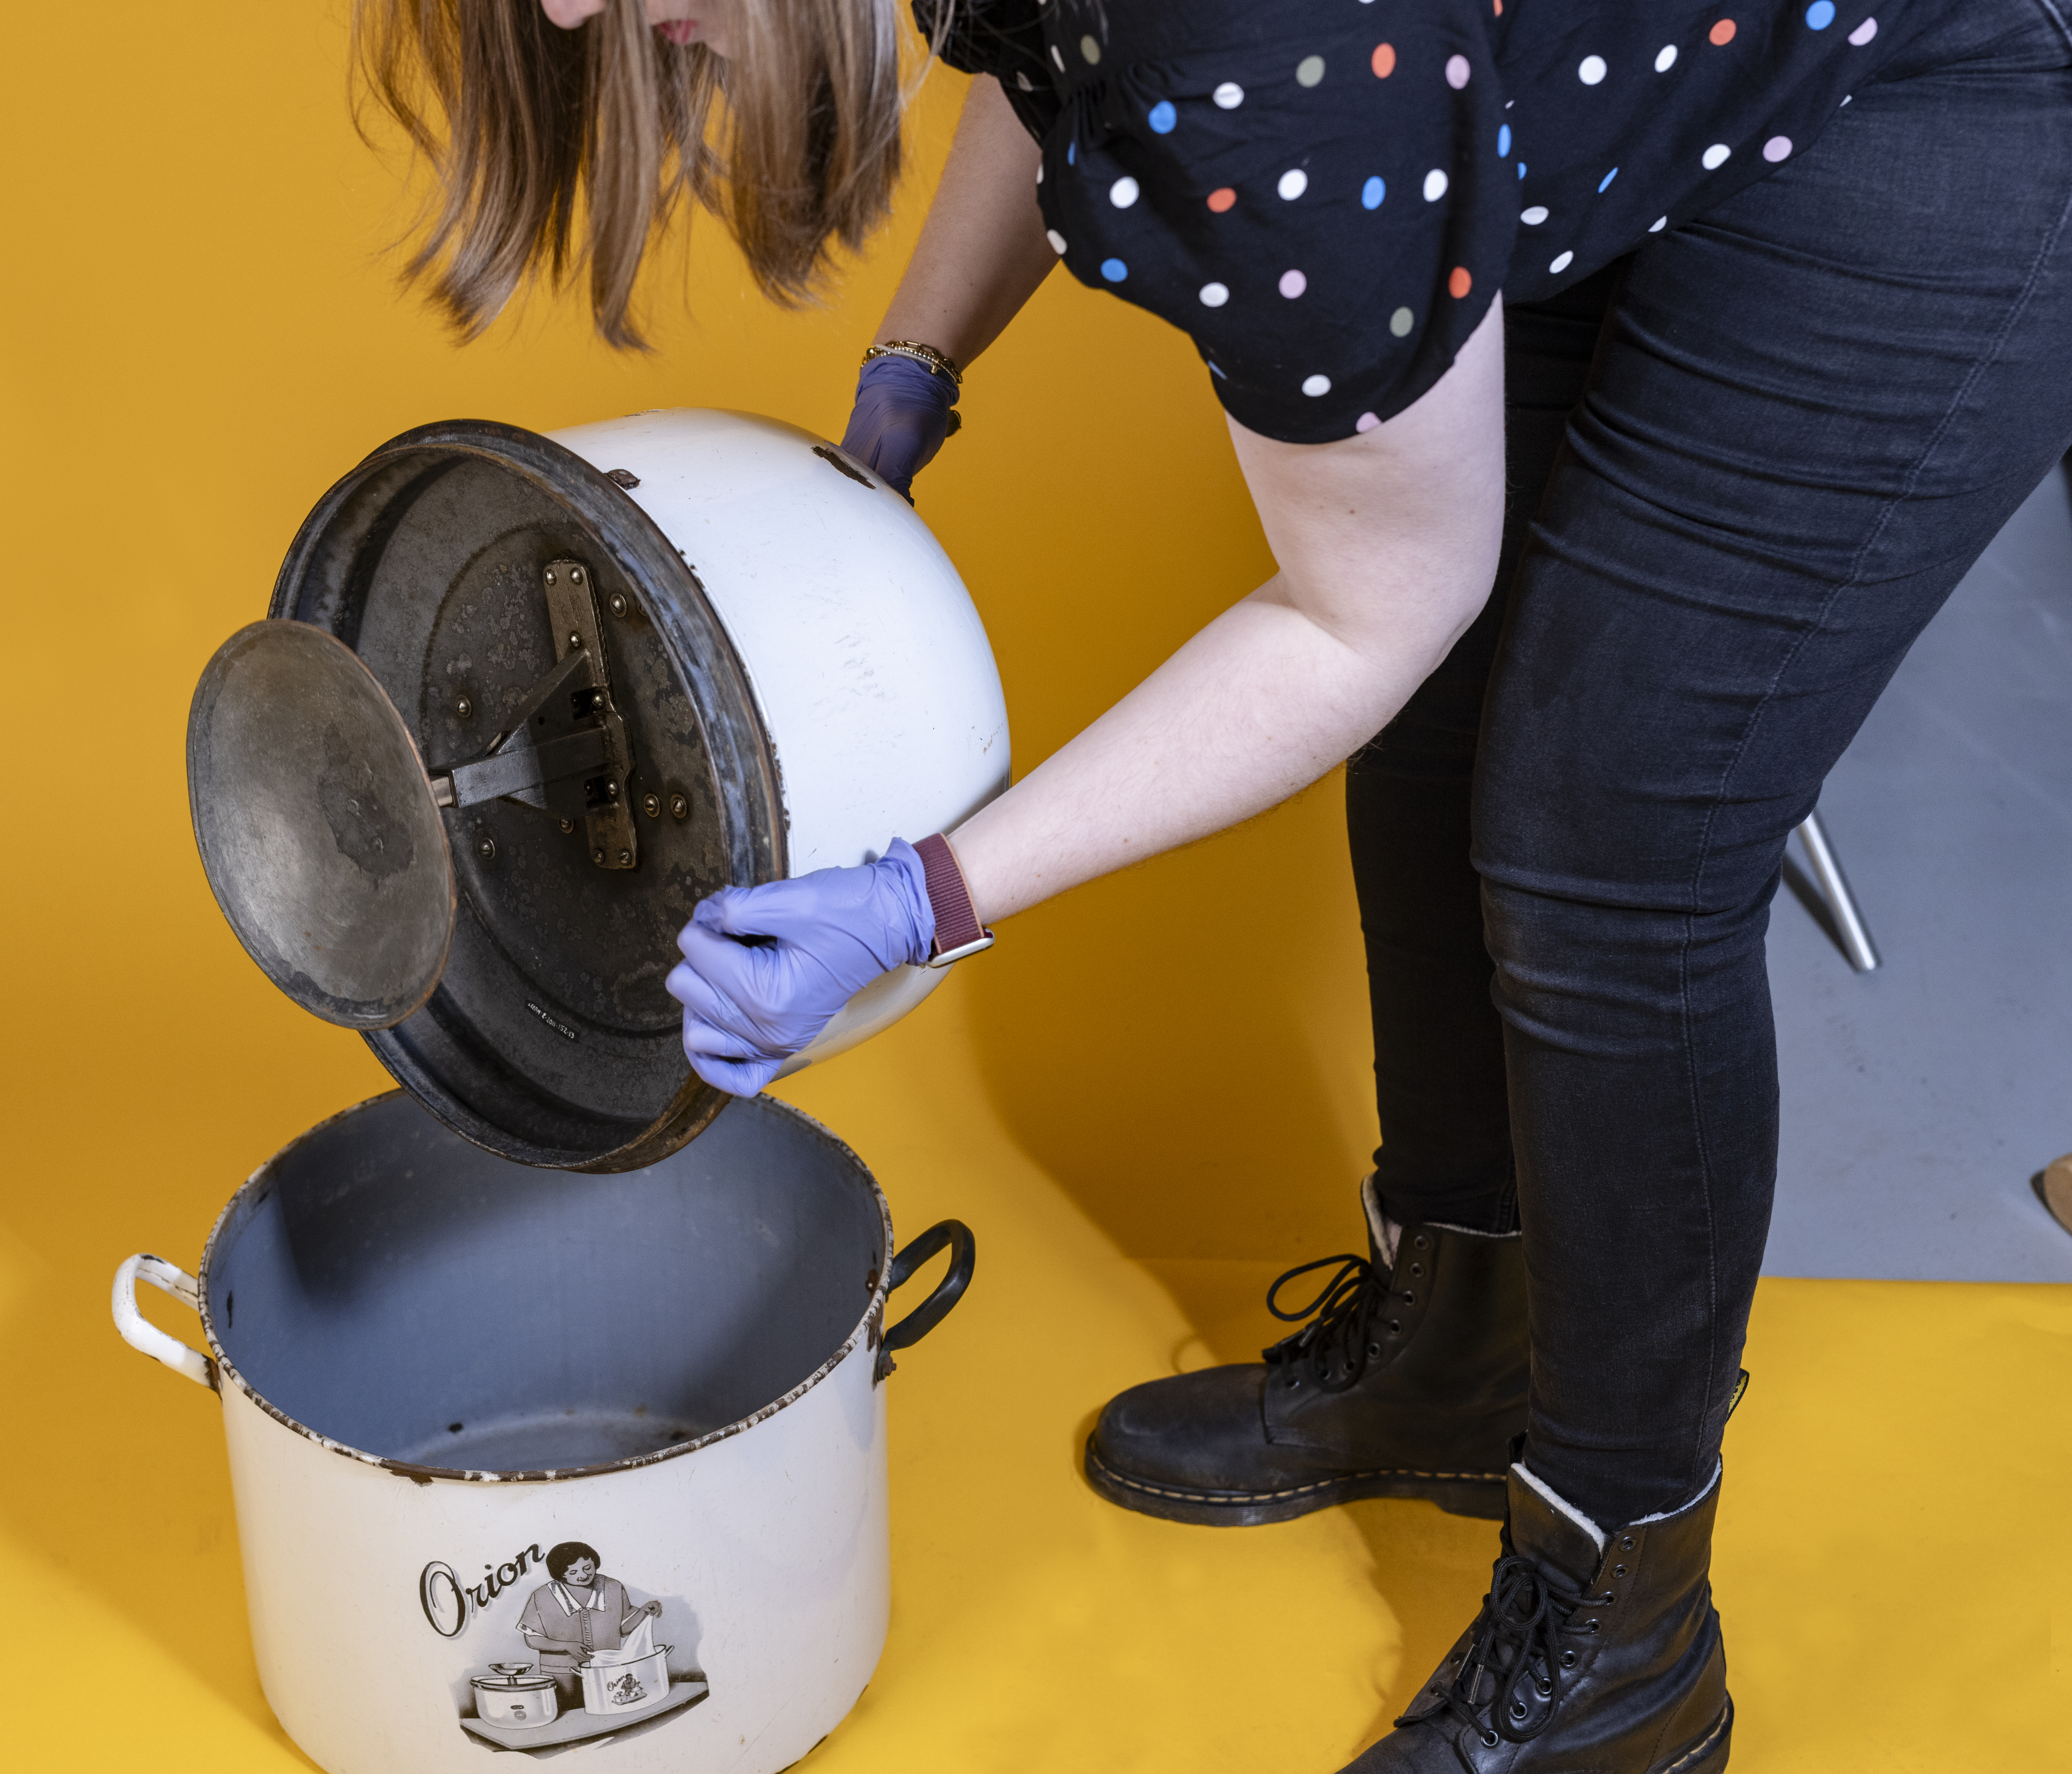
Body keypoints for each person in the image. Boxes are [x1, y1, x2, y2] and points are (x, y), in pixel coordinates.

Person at [356, 0, 2072, 1766]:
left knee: (1610, 841)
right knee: (1453, 720)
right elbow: (1048, 46)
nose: (566, 11)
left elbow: (1360, 618)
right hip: (1605, 67)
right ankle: (1466, 1345)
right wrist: (916, 371)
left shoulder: (1267, 71)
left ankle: (1626, 1634)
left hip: (1931, 93)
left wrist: (923, 897)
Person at [516, 1542, 665, 1707]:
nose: (583, 1575)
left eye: (587, 1568)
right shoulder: (543, 1596)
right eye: (573, 1572)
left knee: (608, 1708)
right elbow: (533, 1639)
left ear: (595, 1563)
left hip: (606, 1670)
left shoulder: (613, 1588)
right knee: (568, 1711)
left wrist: (644, 1611)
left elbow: (623, 1629)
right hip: (561, 1673)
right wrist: (567, 1646)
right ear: (561, 1575)